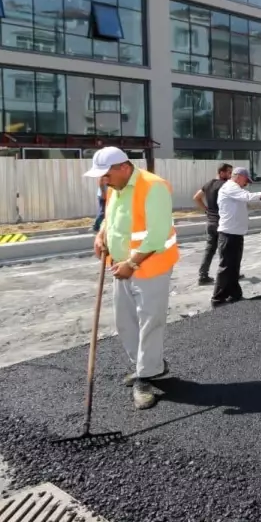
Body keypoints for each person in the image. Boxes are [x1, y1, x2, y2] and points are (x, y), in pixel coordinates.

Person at [88, 148, 179, 411]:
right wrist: (100, 235)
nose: (103, 180)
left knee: (150, 322)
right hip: (120, 266)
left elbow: (158, 233)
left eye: (106, 174)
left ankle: (145, 376)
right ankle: (147, 365)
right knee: (125, 321)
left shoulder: (154, 187)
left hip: (149, 266)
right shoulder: (115, 187)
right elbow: (110, 219)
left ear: (124, 167)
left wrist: (131, 263)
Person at [212, 167, 261, 307]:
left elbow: (246, 200)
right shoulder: (230, 187)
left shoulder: (235, 189)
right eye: (246, 180)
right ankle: (217, 299)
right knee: (226, 267)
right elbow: (248, 197)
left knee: (234, 267)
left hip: (235, 233)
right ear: (238, 177)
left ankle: (235, 295)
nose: (246, 184)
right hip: (228, 234)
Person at [192, 163, 233, 286]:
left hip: (210, 222)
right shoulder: (226, 185)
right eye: (229, 172)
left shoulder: (208, 184)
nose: (231, 175)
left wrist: (206, 209)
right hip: (222, 222)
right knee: (227, 250)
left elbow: (196, 197)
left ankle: (203, 276)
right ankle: (229, 275)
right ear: (221, 172)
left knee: (209, 250)